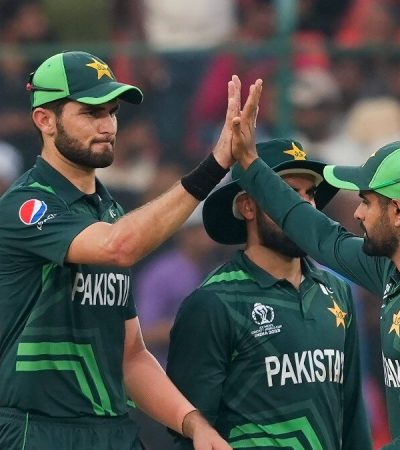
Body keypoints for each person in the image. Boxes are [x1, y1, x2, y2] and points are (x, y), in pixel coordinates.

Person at [0, 51, 260, 450]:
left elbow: (132, 357)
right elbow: (119, 247)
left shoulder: (110, 211)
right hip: (40, 431)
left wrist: (195, 425)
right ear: (45, 119)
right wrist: (216, 163)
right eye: (91, 112)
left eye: (112, 112)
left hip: (113, 431)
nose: (108, 126)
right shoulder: (26, 205)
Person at [230, 83, 400, 449]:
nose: (357, 213)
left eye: (366, 201)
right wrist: (251, 165)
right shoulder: (395, 267)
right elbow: (320, 235)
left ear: (397, 212)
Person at [166, 138, 373, 450]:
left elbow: (354, 415)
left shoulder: (337, 291)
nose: (304, 206)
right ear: (248, 206)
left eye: (310, 194)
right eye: (289, 193)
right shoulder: (214, 301)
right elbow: (187, 430)